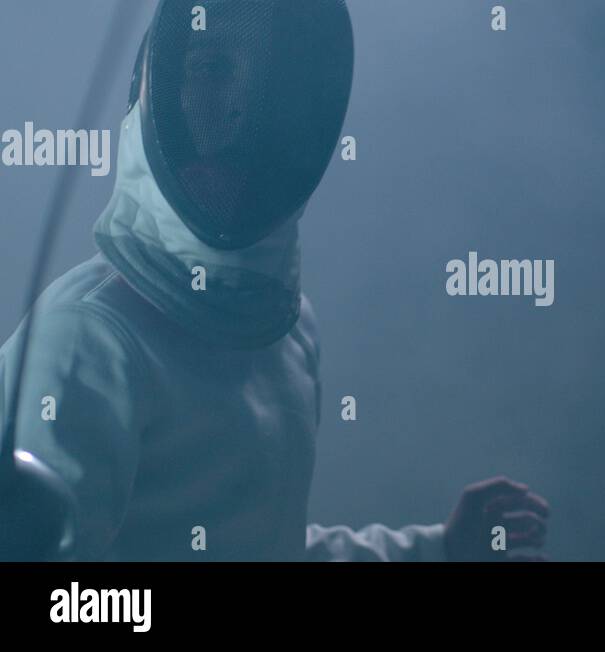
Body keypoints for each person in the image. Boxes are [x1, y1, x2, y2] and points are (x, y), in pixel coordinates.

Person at [0, 0, 549, 561]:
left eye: (273, 86)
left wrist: (440, 550)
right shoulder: (85, 339)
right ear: (151, 93)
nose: (238, 110)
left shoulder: (288, 328)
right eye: (211, 68)